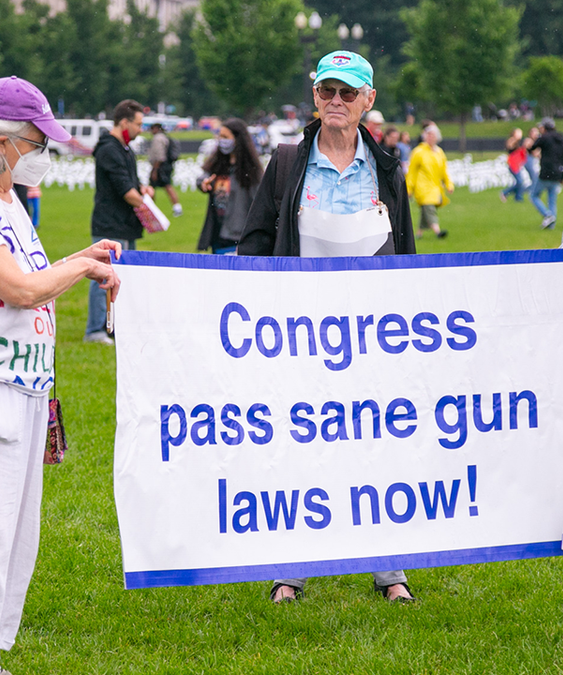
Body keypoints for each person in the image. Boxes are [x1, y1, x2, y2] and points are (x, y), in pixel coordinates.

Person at [0, 76, 122, 675]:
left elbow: (33, 276)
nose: (44, 150)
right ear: (1, 140)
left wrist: (83, 259)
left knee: (16, 532)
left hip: (23, 384)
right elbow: (15, 288)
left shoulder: (9, 202)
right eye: (37, 139)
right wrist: (78, 266)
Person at [238, 50, 416, 603]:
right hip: (300, 335)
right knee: (300, 445)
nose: (335, 102)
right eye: (326, 92)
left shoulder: (386, 168)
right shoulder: (289, 162)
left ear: (369, 100)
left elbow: (406, 251)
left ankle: (390, 571)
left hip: (372, 337)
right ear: (314, 96)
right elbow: (256, 242)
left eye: (347, 93)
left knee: (377, 444)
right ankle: (292, 569)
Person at [86, 99, 150, 345]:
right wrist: (147, 208)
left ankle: (115, 326)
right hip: (110, 225)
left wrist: (143, 190)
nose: (140, 129)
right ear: (124, 122)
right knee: (103, 277)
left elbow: (132, 184)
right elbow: (125, 190)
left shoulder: (125, 149)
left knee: (122, 278)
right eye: (138, 124)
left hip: (126, 224)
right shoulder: (109, 149)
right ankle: (95, 330)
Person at [197, 118, 262, 254]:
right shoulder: (218, 164)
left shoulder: (251, 171)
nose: (221, 140)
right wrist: (203, 183)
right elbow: (203, 177)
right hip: (218, 231)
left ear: (238, 139)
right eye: (220, 136)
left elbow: (259, 204)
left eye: (225, 137)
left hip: (238, 234)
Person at [407, 123, 452, 238]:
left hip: (435, 187)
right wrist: (409, 188)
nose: (430, 137)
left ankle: (419, 233)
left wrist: (448, 184)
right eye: (428, 135)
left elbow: (444, 170)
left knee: (426, 210)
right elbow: (411, 172)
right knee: (429, 208)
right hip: (422, 187)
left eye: (433, 135)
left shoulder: (439, 152)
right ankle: (437, 231)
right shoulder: (418, 152)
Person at [530, 117, 563, 229]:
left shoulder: (545, 137)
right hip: (558, 173)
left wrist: (534, 139)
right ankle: (551, 225)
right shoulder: (562, 138)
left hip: (546, 172)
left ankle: (547, 215)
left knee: (533, 195)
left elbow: (533, 147)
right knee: (552, 200)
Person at [148, 122, 183, 217]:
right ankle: (177, 207)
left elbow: (159, 156)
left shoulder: (158, 138)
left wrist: (155, 170)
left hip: (160, 166)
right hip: (166, 166)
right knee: (167, 186)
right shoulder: (166, 137)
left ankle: (151, 209)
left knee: (152, 187)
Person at [500, 127, 527, 202]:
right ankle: (507, 193)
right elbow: (510, 146)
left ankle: (517, 197)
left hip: (517, 164)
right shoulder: (511, 140)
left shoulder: (519, 142)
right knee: (520, 181)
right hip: (512, 164)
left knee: (520, 182)